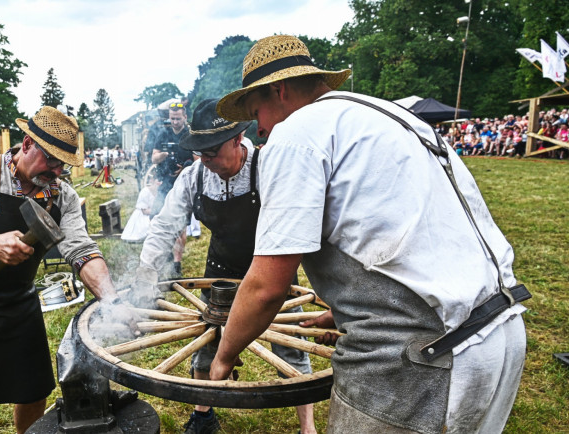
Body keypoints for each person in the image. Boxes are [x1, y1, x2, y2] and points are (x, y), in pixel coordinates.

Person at [210, 35, 528, 434]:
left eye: (257, 111)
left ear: (280, 89)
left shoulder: (296, 134)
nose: (258, 128)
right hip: (500, 331)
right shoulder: (393, 117)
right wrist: (353, 306)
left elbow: (267, 286)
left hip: (417, 360)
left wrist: (223, 356)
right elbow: (412, 229)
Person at [0, 106, 137, 434]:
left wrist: (112, 300)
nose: (56, 170)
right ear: (26, 144)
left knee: (33, 395)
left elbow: (82, 251)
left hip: (19, 307)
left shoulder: (62, 197)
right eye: (50, 159)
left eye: (63, 163)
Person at [135, 99, 316, 434]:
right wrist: (146, 274)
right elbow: (164, 227)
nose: (207, 161)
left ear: (237, 139)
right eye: (200, 153)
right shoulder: (194, 177)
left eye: (213, 152)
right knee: (206, 348)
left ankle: (307, 426)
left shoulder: (267, 167)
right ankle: (204, 413)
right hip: (220, 272)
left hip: (270, 269)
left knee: (290, 348)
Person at [151, 101, 195, 277]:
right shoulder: (163, 133)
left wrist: (184, 169)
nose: (175, 122)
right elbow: (154, 158)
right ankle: (165, 255)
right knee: (157, 218)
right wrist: (166, 155)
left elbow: (198, 160)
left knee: (180, 224)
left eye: (178, 118)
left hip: (183, 185)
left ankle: (177, 263)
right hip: (165, 183)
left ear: (185, 116)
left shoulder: (190, 134)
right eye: (172, 118)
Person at [120, 167, 163, 242]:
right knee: (148, 228)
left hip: (154, 214)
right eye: (157, 182)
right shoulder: (145, 191)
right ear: (152, 181)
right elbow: (144, 211)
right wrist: (156, 211)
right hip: (143, 216)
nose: (158, 184)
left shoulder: (160, 193)